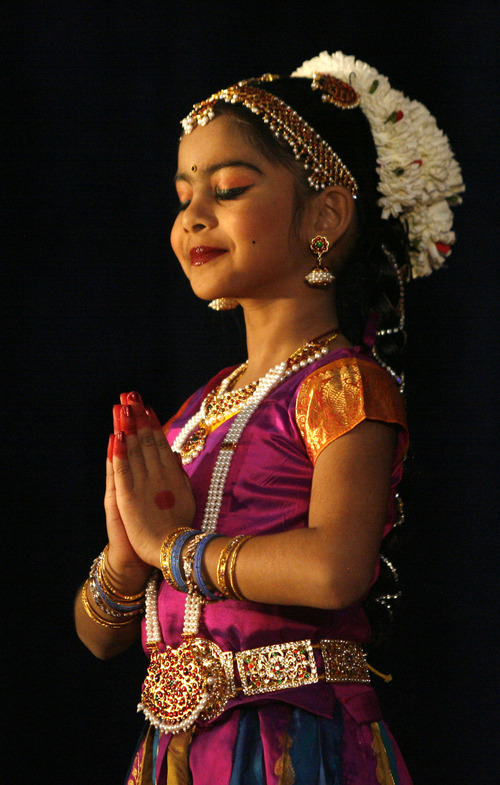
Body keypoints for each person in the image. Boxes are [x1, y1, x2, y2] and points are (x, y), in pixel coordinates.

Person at [75, 51, 464, 784]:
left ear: (324, 214)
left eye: (227, 189)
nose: (193, 215)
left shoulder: (345, 384)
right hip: (175, 756)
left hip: (295, 745)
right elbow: (98, 637)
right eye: (184, 194)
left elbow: (334, 569)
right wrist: (126, 559)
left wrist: (175, 547)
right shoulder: (199, 409)